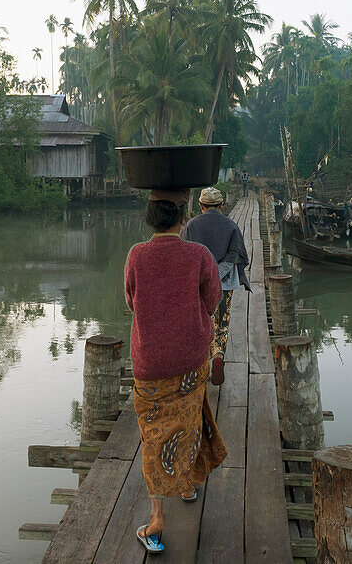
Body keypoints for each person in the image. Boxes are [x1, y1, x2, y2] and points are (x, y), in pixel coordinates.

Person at [124, 188, 227, 554]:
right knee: (190, 418)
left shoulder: (136, 255)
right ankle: (187, 483)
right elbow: (213, 300)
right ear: (184, 217)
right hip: (190, 360)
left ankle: (156, 520)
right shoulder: (198, 255)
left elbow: (132, 300)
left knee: (154, 438)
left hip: (150, 364)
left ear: (150, 218)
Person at [180, 186, 252, 385]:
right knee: (222, 321)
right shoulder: (231, 225)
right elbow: (237, 255)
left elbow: (185, 257)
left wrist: (206, 276)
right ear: (221, 205)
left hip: (199, 284)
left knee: (201, 321)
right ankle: (218, 354)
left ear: (201, 205)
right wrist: (218, 274)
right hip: (225, 283)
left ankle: (201, 362)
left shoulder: (191, 226)